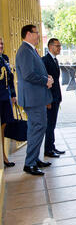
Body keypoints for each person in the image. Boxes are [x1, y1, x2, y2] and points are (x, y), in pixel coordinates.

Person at [16, 25, 53, 176]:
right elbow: (28, 74)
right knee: (38, 127)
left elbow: (35, 71)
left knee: (36, 129)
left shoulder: (30, 49)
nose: (38, 35)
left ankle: (34, 159)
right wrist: (45, 81)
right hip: (33, 98)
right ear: (28, 34)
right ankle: (29, 163)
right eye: (36, 33)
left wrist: (47, 77)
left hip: (36, 97)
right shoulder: (25, 51)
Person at [42, 38, 65, 158]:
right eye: (57, 46)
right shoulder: (45, 60)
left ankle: (52, 146)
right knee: (49, 124)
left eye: (60, 46)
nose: (59, 48)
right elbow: (45, 83)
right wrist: (47, 100)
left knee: (53, 123)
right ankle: (48, 149)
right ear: (50, 47)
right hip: (50, 98)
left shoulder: (55, 60)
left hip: (56, 97)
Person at [0, 37, 17, 167]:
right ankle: (3, 157)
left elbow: (10, 79)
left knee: (4, 126)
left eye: (1, 43)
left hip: (6, 98)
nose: (1, 45)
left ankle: (3, 156)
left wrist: (13, 95)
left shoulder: (4, 58)